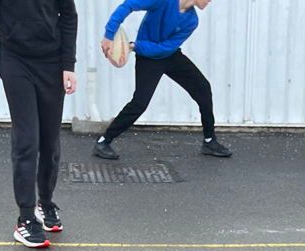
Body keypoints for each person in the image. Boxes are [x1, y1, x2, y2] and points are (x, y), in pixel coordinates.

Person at [0, 0, 78, 248]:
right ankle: (25, 218)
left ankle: (45, 203)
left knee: (50, 141)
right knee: (27, 141)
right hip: (16, 61)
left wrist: (69, 65)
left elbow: (68, 16)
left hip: (52, 62)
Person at [94, 0, 232, 161]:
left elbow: (166, 47)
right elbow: (128, 5)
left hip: (170, 55)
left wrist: (134, 46)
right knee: (140, 103)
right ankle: (104, 141)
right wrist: (109, 35)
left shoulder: (192, 21)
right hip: (148, 60)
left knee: (203, 88)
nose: (210, 1)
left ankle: (209, 141)